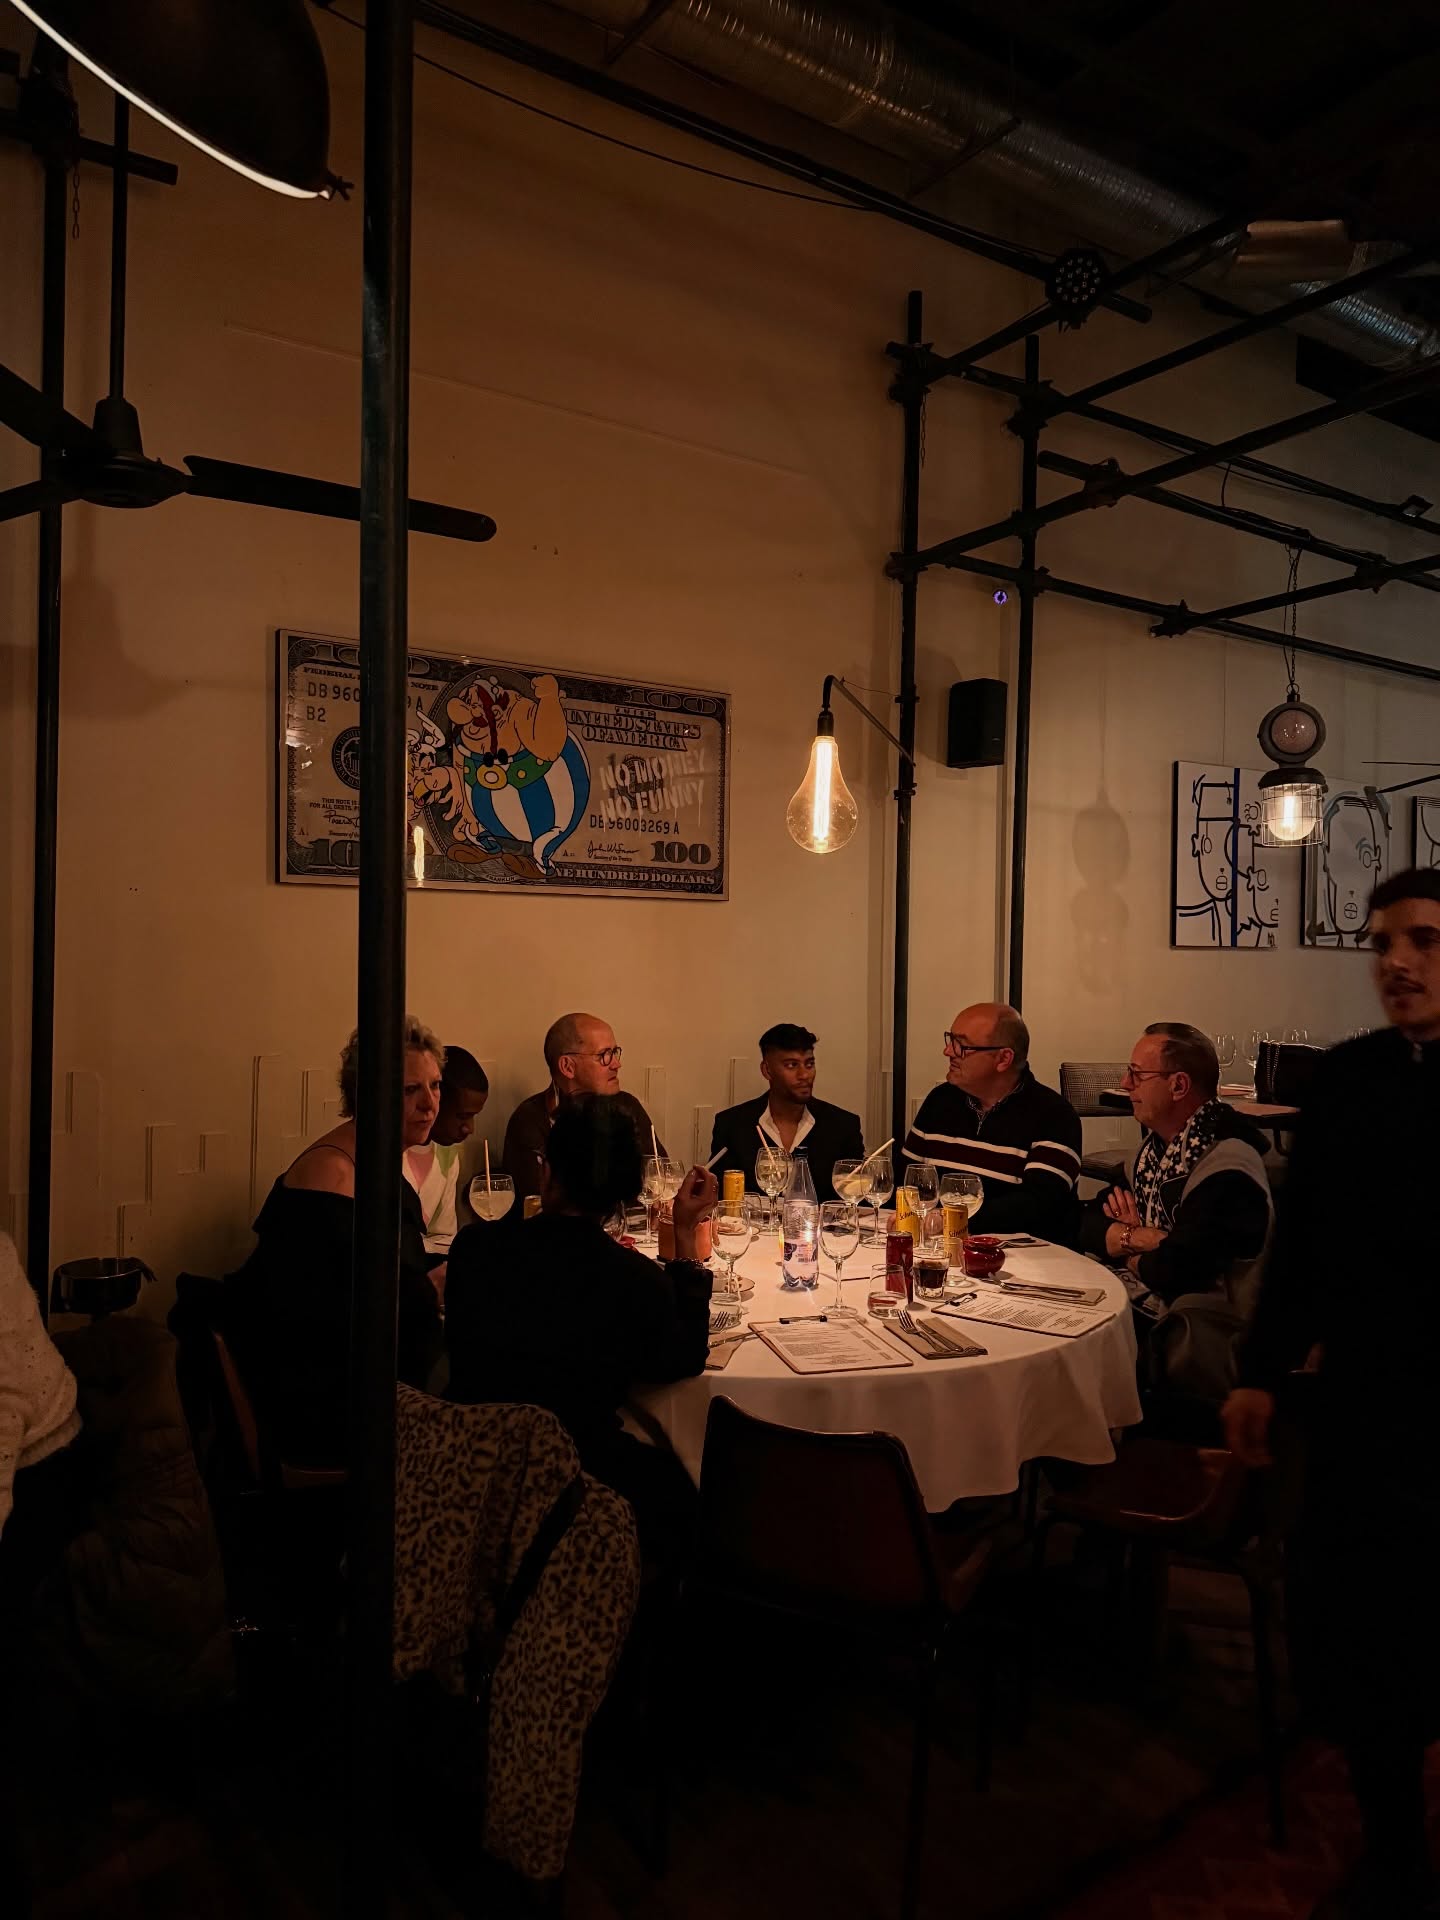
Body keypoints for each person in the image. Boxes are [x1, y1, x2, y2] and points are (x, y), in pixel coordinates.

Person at [1224, 869, 1440, 1920]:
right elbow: (1300, 1248)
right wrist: (1260, 1373)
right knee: (1357, 1630)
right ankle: (1394, 1851)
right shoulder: (1348, 1080)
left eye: (1426, 941)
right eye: (1385, 942)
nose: (1398, 962)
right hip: (1364, 1403)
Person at [448, 1095, 714, 1559]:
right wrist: (686, 1236)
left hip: (470, 1458)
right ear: (625, 1192)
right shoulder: (634, 1280)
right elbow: (684, 1358)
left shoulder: (474, 1249)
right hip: (579, 1470)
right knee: (690, 1490)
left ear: (547, 1173)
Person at [221, 1016, 447, 1467]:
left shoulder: (378, 1160)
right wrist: (434, 1287)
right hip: (325, 1406)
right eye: (410, 1091)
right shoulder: (333, 1175)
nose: (430, 1105)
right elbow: (333, 1317)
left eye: (436, 1086)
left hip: (365, 1383)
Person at [1079, 1023, 1272, 1323]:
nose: (1125, 1083)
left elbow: (1179, 1271)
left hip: (1209, 1337)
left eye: (1137, 1074)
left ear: (1179, 1086)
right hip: (1152, 1308)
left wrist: (1124, 1246)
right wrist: (1144, 1238)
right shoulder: (1151, 1155)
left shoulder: (1228, 1165)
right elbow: (1084, 1223)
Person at [903, 1002, 1083, 1243]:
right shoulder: (941, 1100)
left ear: (1003, 1059)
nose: (948, 1051)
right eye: (950, 1039)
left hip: (1024, 1261)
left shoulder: (1053, 1115)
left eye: (961, 1045)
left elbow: (1038, 1206)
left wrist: (950, 1219)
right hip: (942, 1251)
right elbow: (907, 1178)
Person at [502, 1011, 665, 1203]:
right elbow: (540, 1203)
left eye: (615, 1052)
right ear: (568, 1067)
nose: (617, 1064)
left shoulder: (627, 1107)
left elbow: (659, 1176)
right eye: (605, 1055)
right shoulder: (531, 1120)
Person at [709, 1022, 865, 1201]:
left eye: (809, 1064)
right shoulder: (733, 1125)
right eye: (792, 1065)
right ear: (767, 1070)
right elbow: (718, 1197)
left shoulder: (842, 1126)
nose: (804, 1075)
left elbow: (856, 1199)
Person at [405, 1044, 489, 1256]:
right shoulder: (386, 1154)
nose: (470, 1128)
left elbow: (443, 1234)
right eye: (462, 1116)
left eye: (473, 1116)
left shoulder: (448, 1154)